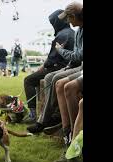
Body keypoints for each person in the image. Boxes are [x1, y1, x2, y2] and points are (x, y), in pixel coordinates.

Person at [27, 2, 83, 134]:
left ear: (74, 16)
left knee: (33, 79)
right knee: (52, 78)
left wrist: (59, 50)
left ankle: (48, 119)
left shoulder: (63, 35)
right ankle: (59, 124)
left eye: (68, 17)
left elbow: (75, 56)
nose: (67, 21)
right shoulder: (76, 31)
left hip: (72, 66)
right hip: (73, 65)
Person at [23, 9, 75, 121]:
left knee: (29, 80)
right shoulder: (71, 33)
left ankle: (33, 114)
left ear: (57, 22)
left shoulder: (62, 35)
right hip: (66, 66)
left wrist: (41, 68)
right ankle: (39, 111)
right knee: (36, 78)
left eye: (53, 23)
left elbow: (52, 59)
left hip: (58, 68)